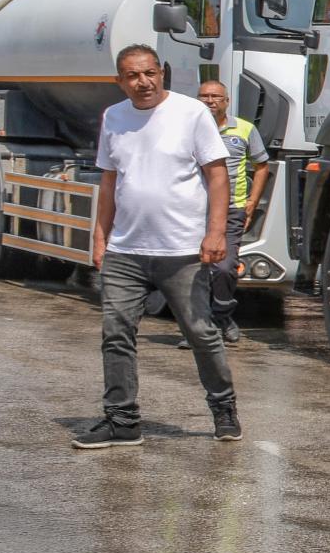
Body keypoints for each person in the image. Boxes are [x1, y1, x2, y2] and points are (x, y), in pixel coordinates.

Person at [77, 46, 236, 448]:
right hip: (126, 250)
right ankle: (122, 421)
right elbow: (110, 181)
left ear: (161, 73)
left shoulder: (191, 113)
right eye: (132, 76)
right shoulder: (113, 117)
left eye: (149, 73)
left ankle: (223, 406)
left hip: (182, 250)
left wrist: (215, 233)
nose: (142, 82)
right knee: (116, 333)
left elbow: (217, 176)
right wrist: (100, 237)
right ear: (120, 81)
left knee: (201, 332)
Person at [192, 79, 270, 344]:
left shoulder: (245, 129)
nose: (210, 101)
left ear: (226, 101)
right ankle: (198, 327)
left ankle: (222, 315)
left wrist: (252, 202)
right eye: (204, 96)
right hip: (193, 210)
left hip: (231, 210)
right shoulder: (188, 128)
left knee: (224, 268)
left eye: (216, 96)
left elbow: (261, 166)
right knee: (195, 270)